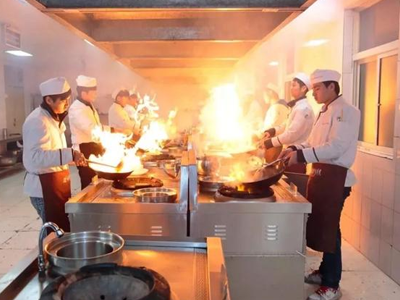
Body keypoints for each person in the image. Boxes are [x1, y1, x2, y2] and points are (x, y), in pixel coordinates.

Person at [280, 69, 360, 300]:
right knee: (323, 227)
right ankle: (324, 271)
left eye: (317, 88)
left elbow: (336, 148)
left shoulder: (347, 112)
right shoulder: (325, 111)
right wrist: (295, 149)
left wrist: (303, 156)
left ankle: (331, 285)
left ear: (331, 87)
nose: (313, 93)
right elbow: (313, 142)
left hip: (336, 179)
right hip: (320, 176)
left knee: (331, 231)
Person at [23, 77, 86, 231]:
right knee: (53, 231)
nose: (67, 103)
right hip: (44, 188)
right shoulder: (37, 121)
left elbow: (52, 152)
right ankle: (45, 255)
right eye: (63, 100)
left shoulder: (53, 118)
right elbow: (35, 158)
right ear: (49, 100)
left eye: (68, 99)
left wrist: (72, 158)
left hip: (56, 183)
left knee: (60, 229)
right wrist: (69, 154)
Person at [260, 73, 315, 173]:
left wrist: (270, 142)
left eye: (294, 85)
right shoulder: (297, 106)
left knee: (291, 185)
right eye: (291, 85)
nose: (290, 88)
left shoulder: (304, 109)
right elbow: (286, 124)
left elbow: (291, 134)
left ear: (303, 88)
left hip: (296, 155)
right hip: (287, 153)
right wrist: (273, 131)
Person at [68, 75, 114, 189]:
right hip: (84, 148)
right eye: (93, 91)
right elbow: (91, 128)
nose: (96, 94)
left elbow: (96, 126)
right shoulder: (77, 108)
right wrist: (113, 130)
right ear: (84, 93)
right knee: (88, 179)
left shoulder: (88, 105)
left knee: (96, 178)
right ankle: (87, 205)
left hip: (93, 146)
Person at [260, 83, 289, 162]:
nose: (263, 97)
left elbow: (271, 127)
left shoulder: (277, 107)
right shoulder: (279, 106)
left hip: (274, 146)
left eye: (264, 94)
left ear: (270, 92)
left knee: (271, 167)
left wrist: (258, 134)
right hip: (275, 143)